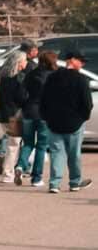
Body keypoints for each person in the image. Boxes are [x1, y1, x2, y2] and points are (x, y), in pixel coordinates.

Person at [39, 50, 94, 193]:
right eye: (81, 61)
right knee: (74, 154)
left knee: (57, 153)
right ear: (72, 60)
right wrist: (83, 117)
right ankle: (75, 182)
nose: (82, 64)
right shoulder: (81, 80)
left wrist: (46, 117)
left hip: (54, 122)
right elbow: (87, 103)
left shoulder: (52, 78)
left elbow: (43, 100)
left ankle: (54, 184)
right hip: (75, 123)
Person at [14, 51, 57, 187]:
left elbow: (21, 94)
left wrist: (24, 105)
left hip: (29, 111)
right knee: (42, 146)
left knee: (28, 143)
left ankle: (20, 166)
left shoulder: (30, 74)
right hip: (45, 114)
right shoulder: (53, 76)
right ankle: (36, 178)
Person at [0, 50, 28, 183]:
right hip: (15, 115)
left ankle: (11, 170)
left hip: (2, 114)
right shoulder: (19, 78)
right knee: (14, 144)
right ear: (19, 63)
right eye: (24, 60)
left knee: (11, 142)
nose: (26, 63)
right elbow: (22, 98)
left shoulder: (1, 77)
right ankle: (8, 174)